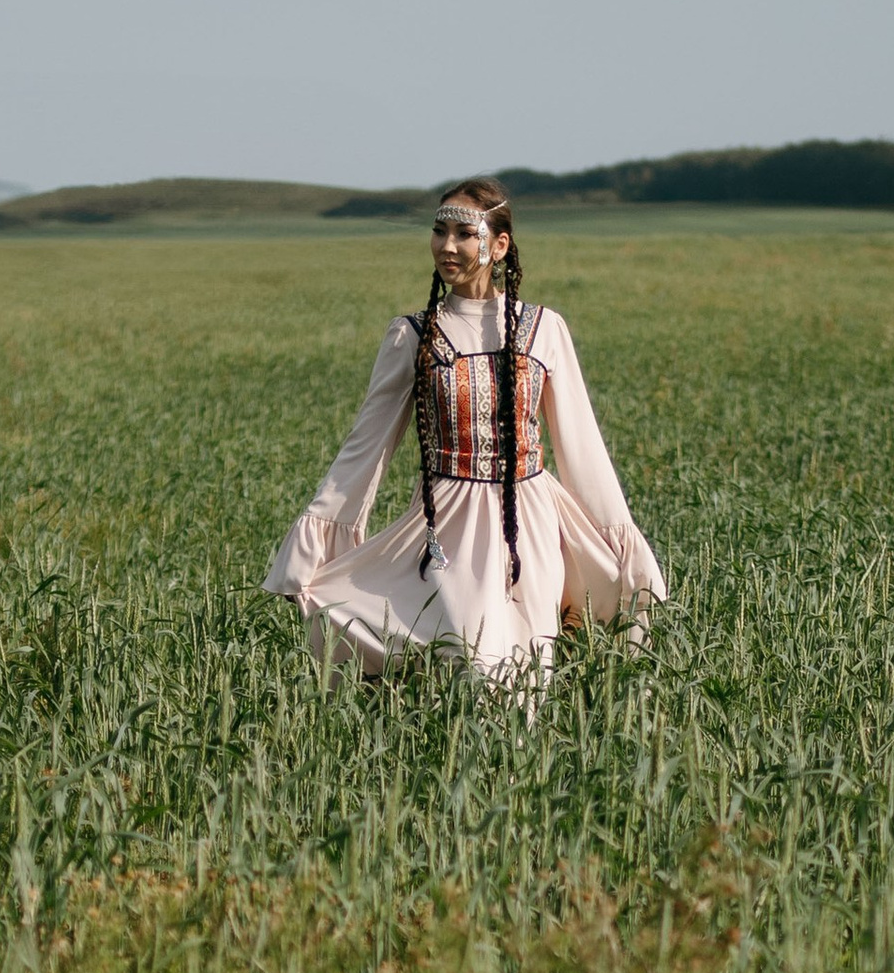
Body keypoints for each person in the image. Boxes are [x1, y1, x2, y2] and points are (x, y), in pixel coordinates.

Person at [263, 179, 667, 687]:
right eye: (438, 231)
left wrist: (623, 545)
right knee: (476, 664)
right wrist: (312, 542)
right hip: (445, 527)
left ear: (498, 247)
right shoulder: (412, 336)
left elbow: (583, 448)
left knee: (523, 676)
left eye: (463, 234)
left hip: (531, 524)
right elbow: (364, 448)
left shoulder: (544, 329)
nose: (446, 246)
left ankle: (519, 767)